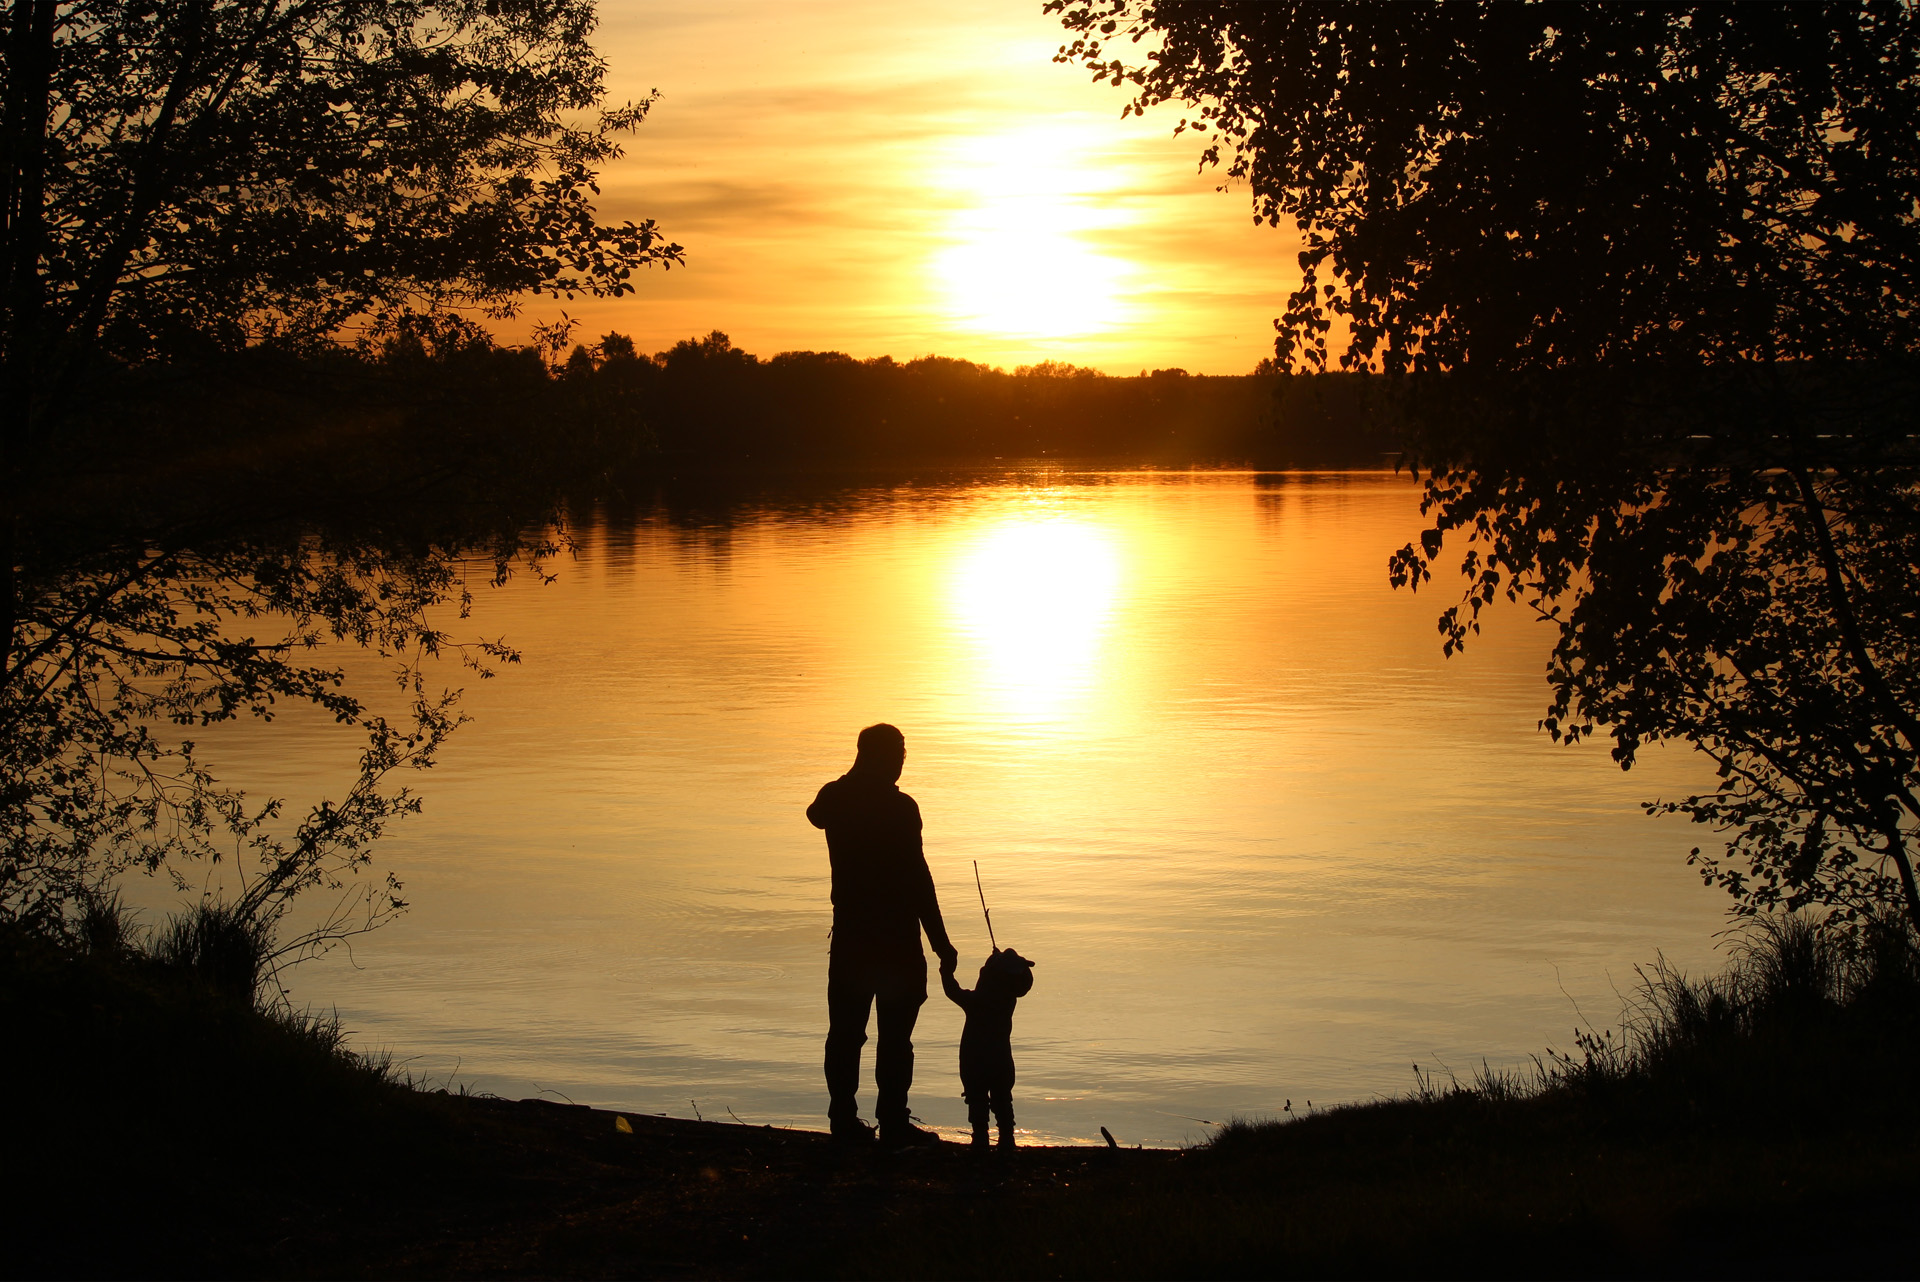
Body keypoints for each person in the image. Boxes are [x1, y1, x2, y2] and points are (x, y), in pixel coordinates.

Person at [806, 722, 958, 1147]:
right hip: (893, 938)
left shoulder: (837, 797)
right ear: (878, 757)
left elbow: (815, 814)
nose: (901, 765)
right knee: (885, 1037)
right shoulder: (899, 808)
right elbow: (919, 879)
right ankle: (886, 1122)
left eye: (902, 757)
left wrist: (940, 942)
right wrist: (940, 941)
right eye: (896, 756)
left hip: (856, 936)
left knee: (851, 1034)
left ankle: (850, 1121)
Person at [940, 947, 1036, 1150]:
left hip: (974, 1059)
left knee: (977, 1098)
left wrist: (945, 971)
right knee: (1002, 1098)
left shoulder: (977, 1001)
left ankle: (981, 1138)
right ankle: (1007, 1139)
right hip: (1001, 1058)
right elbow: (1007, 977)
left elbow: (951, 990)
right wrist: (999, 960)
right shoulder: (1008, 999)